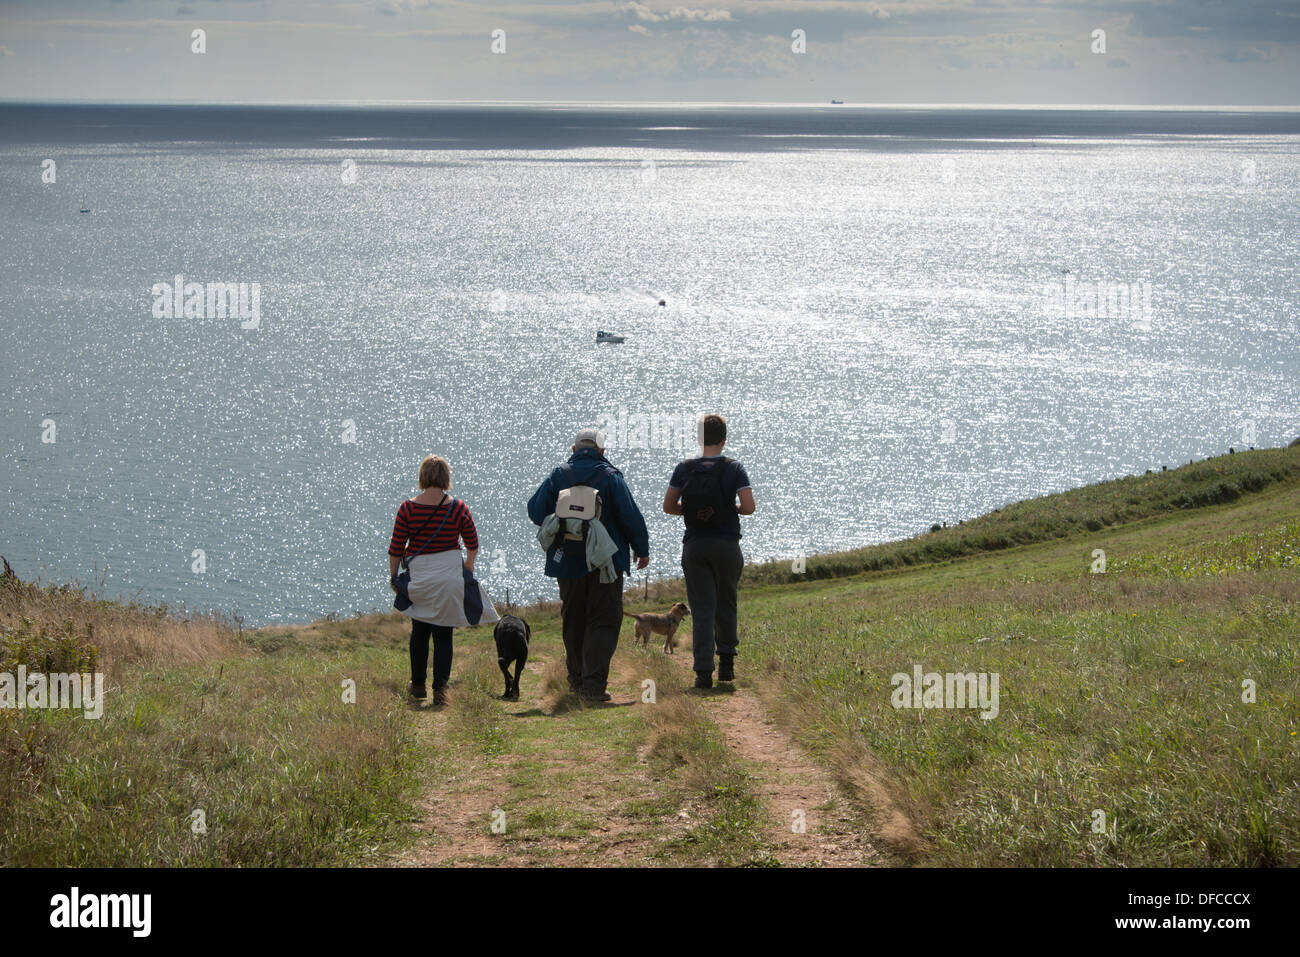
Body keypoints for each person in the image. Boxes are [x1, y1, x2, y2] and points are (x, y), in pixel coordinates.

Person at [528, 428, 650, 702]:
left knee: (573, 620)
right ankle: (593, 687)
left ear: (574, 450)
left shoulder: (558, 475)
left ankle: (576, 682)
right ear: (603, 451)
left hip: (567, 561)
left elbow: (536, 511)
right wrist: (641, 549)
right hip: (605, 564)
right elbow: (630, 516)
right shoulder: (611, 477)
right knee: (604, 620)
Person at [388, 454, 499, 706]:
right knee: (443, 634)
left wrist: (393, 576)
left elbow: (396, 547)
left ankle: (418, 685)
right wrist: (468, 566)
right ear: (446, 478)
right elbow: (472, 542)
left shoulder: (407, 508)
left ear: (422, 477)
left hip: (421, 578)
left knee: (419, 632)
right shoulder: (457, 507)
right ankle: (441, 690)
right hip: (449, 577)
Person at [662, 414, 755, 689]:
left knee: (702, 609)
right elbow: (749, 507)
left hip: (695, 546)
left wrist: (692, 512)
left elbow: (668, 506)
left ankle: (703, 672)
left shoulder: (684, 468)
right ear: (724, 439)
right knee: (727, 602)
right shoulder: (734, 468)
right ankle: (726, 663)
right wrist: (730, 511)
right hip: (726, 545)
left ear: (699, 439)